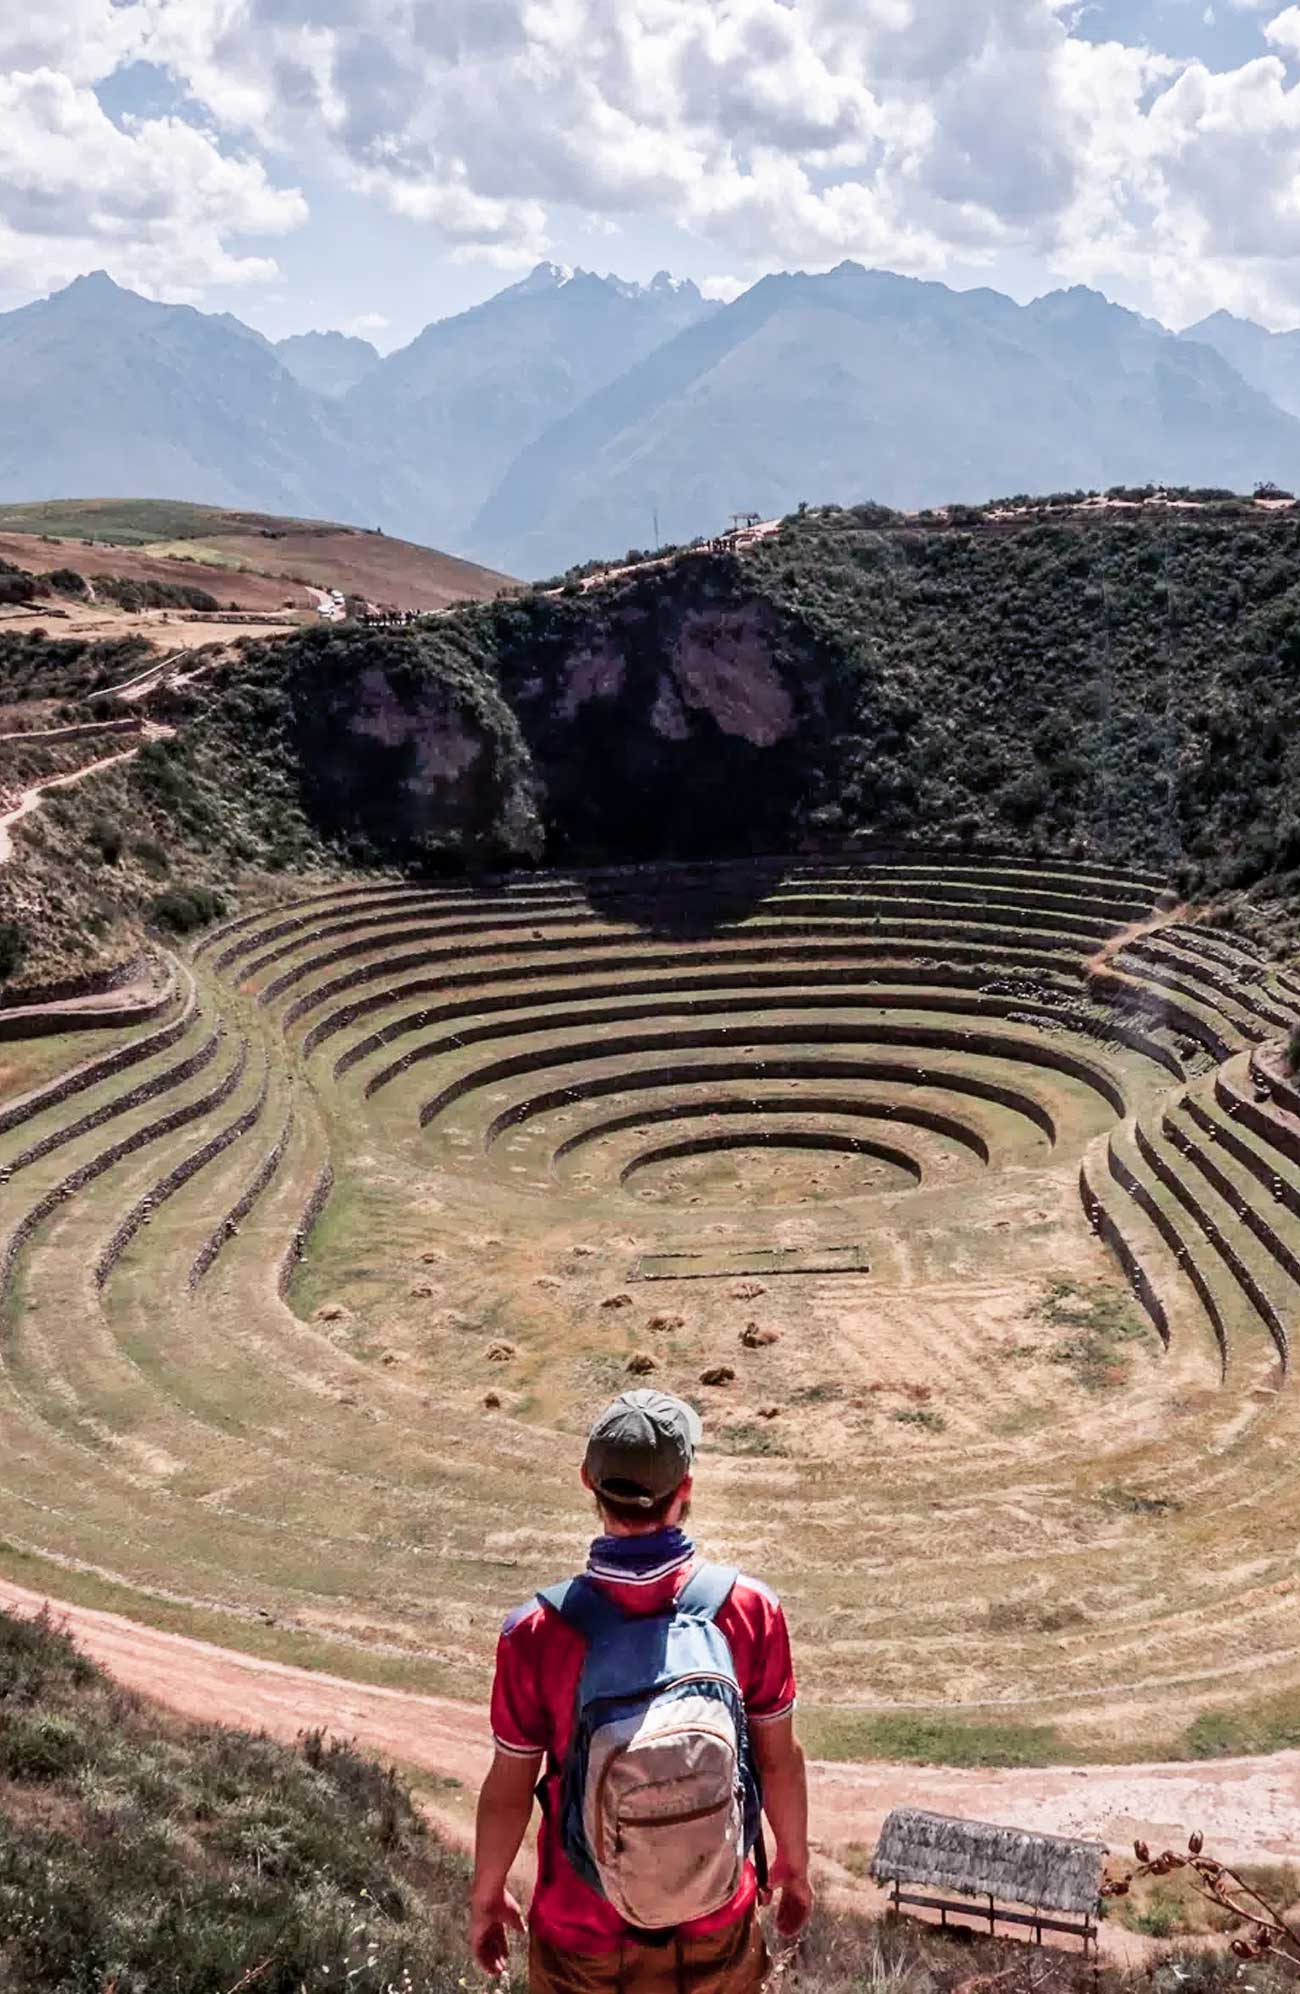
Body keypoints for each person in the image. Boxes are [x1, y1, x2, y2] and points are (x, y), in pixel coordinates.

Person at [469, 1389, 812, 1991]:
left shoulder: (535, 1632)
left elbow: (508, 1792)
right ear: (686, 1487)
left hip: (583, 1938)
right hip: (715, 1923)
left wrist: (487, 1895)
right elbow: (779, 1761)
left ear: (587, 1482)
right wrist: (793, 1863)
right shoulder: (749, 1610)